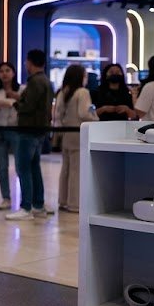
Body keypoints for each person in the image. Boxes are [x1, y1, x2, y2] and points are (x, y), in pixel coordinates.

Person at [6, 49, 54, 221]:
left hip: (28, 130)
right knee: (34, 167)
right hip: (40, 130)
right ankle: (38, 205)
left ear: (30, 62)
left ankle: (26, 207)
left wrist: (15, 103)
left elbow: (28, 106)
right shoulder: (46, 81)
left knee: (23, 168)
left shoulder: (34, 82)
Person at [54, 64, 97, 213]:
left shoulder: (62, 92)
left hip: (66, 133)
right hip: (79, 133)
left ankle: (63, 200)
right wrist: (95, 118)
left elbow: (58, 114)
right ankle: (74, 203)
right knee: (76, 170)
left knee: (66, 168)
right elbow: (84, 113)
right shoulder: (83, 92)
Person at [0, 62, 20, 210]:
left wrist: (16, 99)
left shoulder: (22, 90)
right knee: (2, 166)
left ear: (13, 73)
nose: (4, 74)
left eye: (7, 70)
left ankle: (26, 198)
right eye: (1, 71)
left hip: (16, 129)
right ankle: (6, 198)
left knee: (20, 165)